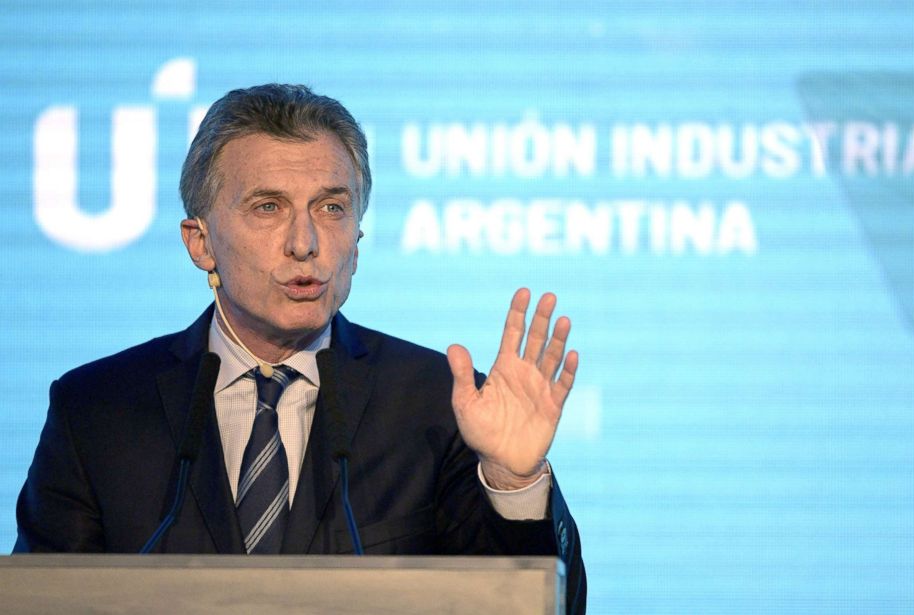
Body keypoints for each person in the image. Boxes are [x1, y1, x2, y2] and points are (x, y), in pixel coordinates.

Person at [15, 84, 586, 613]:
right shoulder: (96, 409)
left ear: (357, 240)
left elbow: (533, 604)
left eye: (331, 208)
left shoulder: (436, 403)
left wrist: (514, 482)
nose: (304, 243)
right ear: (201, 241)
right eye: (268, 207)